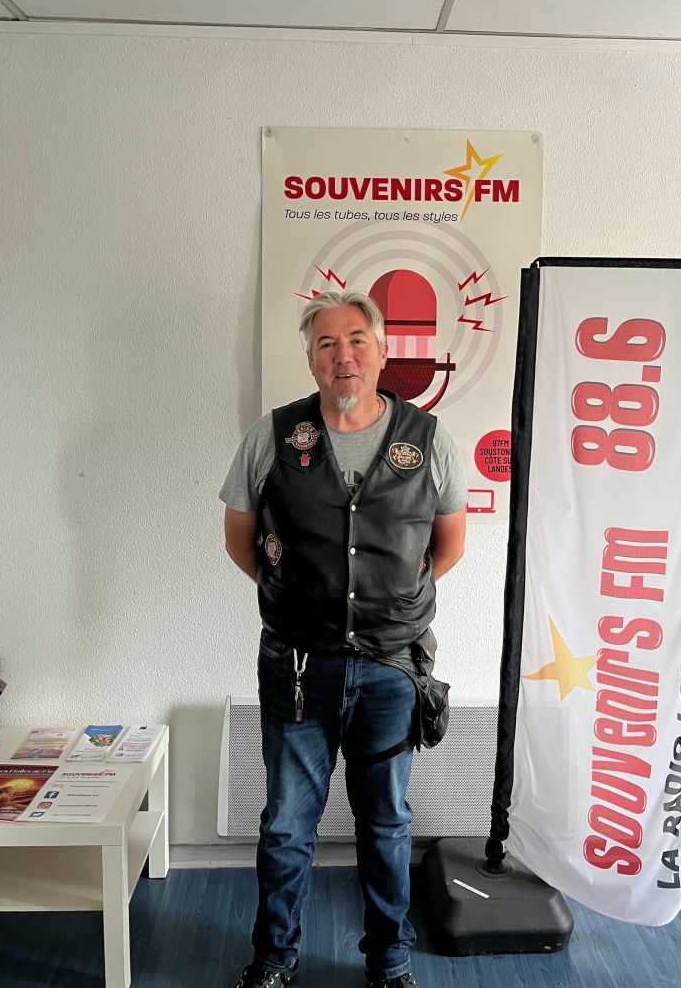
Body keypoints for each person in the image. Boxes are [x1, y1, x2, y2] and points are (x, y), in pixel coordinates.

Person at [220, 289, 467, 988]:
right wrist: (300, 599)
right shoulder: (272, 436)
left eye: (357, 340)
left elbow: (447, 546)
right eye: (326, 343)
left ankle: (389, 962)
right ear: (310, 359)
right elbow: (241, 540)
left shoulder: (429, 438)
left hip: (392, 669)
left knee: (386, 823)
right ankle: (274, 958)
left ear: (382, 352)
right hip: (298, 664)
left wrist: (390, 607)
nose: (343, 355)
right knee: (285, 824)